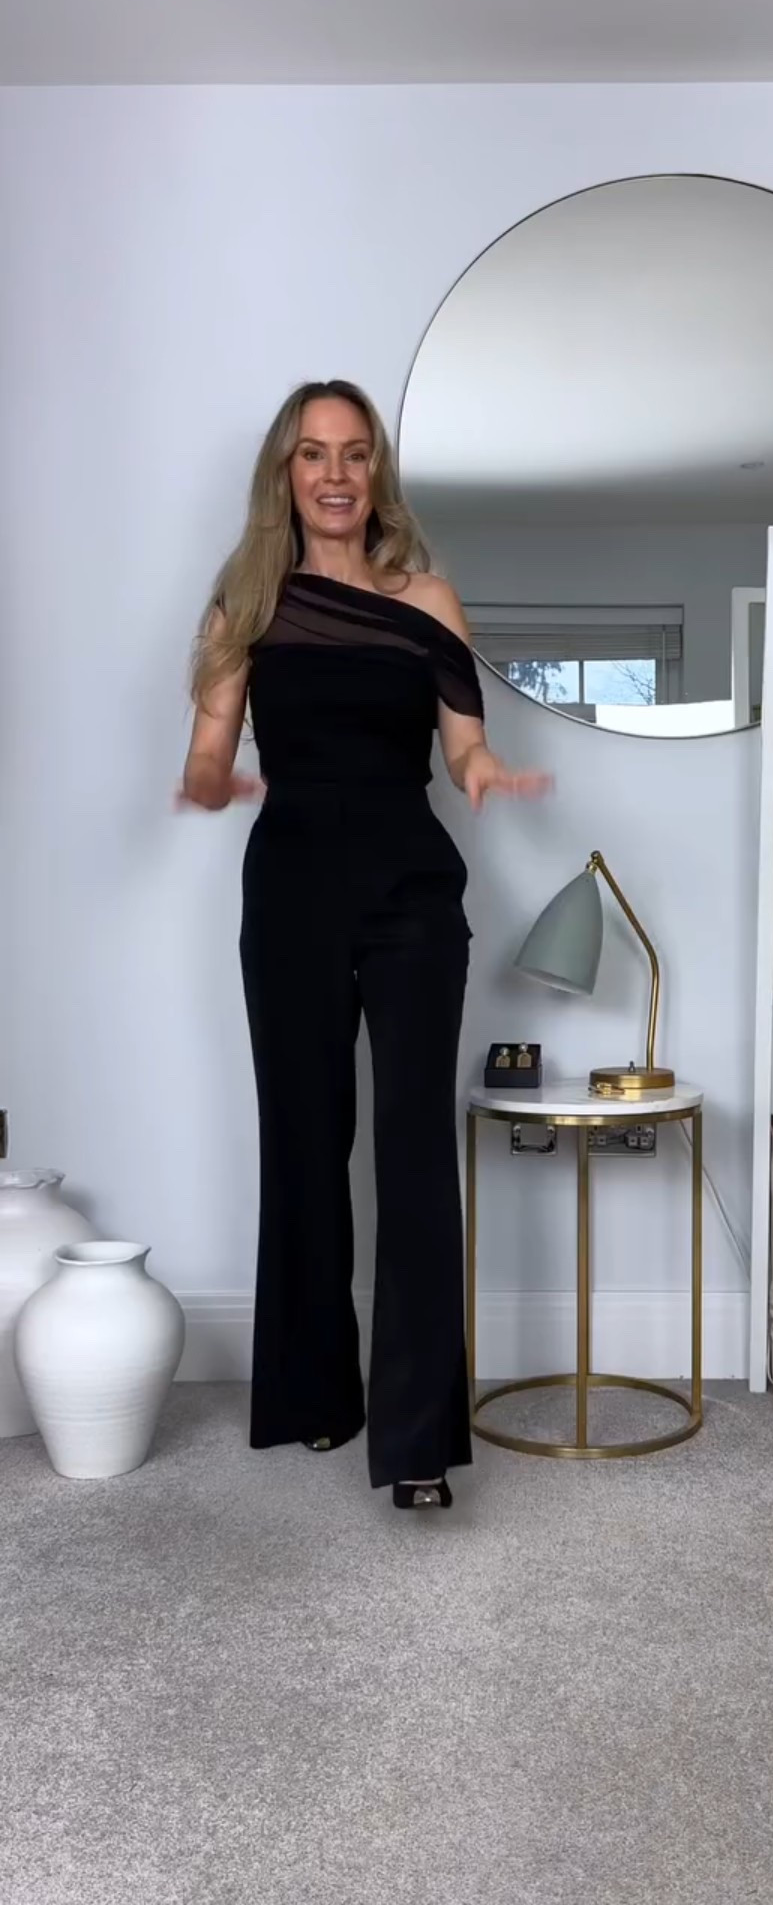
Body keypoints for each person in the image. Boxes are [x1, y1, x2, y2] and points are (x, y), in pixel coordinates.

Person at [179, 379, 548, 1509]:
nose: (334, 475)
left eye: (353, 453)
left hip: (410, 891)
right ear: (285, 475)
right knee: (304, 1137)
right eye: (312, 454)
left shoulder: (427, 599)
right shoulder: (247, 606)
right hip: (291, 887)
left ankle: (420, 1438)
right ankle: (315, 1394)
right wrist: (211, 780)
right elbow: (208, 750)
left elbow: (464, 744)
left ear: (376, 471)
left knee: (412, 1149)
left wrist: (485, 772)